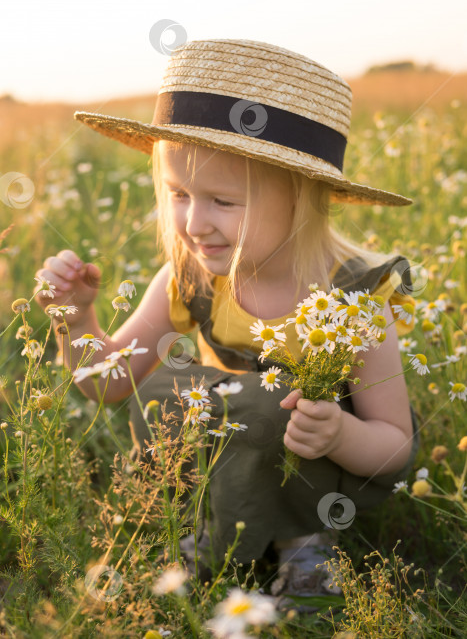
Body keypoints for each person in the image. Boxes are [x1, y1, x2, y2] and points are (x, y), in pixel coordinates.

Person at [34, 38, 420, 609]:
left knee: (271, 404)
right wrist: (77, 316)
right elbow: (108, 384)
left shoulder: (353, 299)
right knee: (162, 386)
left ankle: (305, 546)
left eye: (223, 201)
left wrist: (340, 433)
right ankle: (212, 524)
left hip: (318, 477)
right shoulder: (188, 275)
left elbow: (396, 447)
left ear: (302, 197)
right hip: (228, 461)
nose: (193, 223)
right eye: (179, 194)